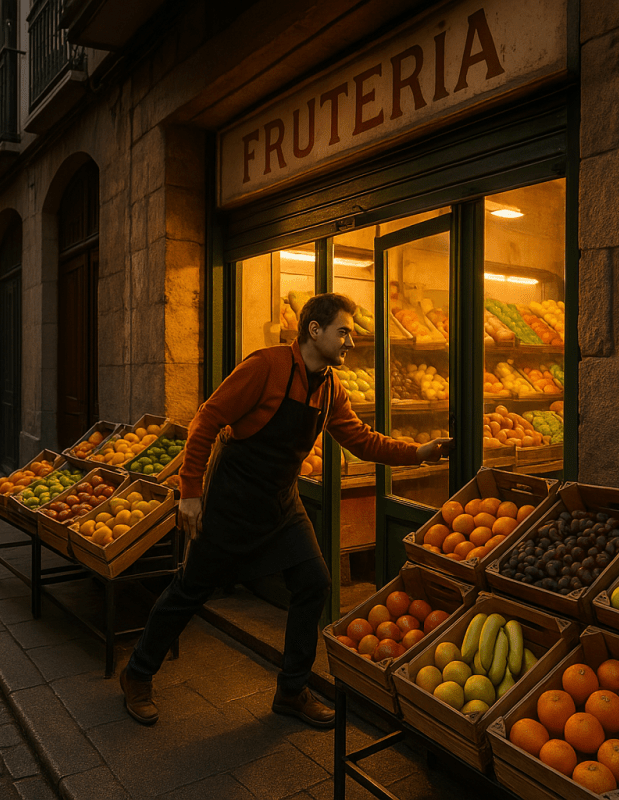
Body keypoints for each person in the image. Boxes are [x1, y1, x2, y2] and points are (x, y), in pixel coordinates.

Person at [120, 292, 453, 728]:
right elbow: (207, 419)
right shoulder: (266, 366)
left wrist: (419, 452)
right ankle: (138, 674)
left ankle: (292, 690)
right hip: (232, 502)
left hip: (281, 503)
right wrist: (190, 492)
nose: (351, 341)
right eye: (344, 332)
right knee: (189, 590)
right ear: (315, 330)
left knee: (314, 584)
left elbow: (360, 438)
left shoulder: (331, 387)